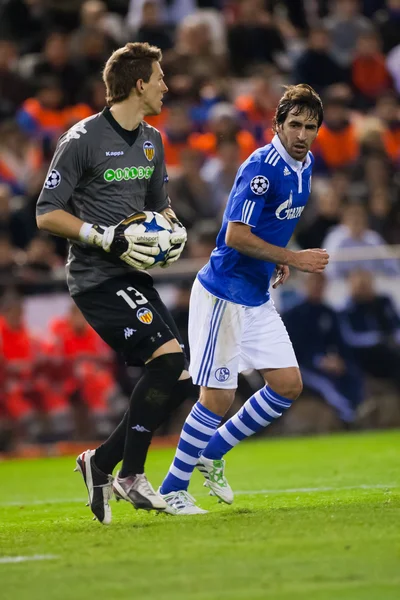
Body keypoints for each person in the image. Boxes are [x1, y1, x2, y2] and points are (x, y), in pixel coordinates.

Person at [36, 42, 192, 524]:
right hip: (96, 275)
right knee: (168, 363)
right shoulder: (81, 138)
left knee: (179, 376)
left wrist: (172, 228)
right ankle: (130, 474)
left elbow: (156, 205)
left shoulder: (152, 140)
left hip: (134, 273)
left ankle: (101, 463)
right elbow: (46, 213)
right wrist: (103, 236)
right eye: (160, 77)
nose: (166, 85)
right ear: (139, 83)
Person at [159, 84, 330, 514]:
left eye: (310, 127)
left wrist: (276, 260)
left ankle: (212, 451)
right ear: (277, 124)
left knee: (288, 386)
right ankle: (172, 489)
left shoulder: (305, 166)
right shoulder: (261, 167)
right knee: (216, 398)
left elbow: (269, 226)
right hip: (223, 294)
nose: (302, 134)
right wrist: (293, 256)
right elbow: (235, 235)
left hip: (255, 293)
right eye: (294, 124)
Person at [283, 273, 364, 425]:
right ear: (304, 285)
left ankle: (359, 408)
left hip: (327, 363)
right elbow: (292, 349)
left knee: (352, 373)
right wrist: (318, 361)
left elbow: (340, 343)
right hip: (302, 366)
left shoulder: (329, 313)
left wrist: (339, 360)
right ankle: (348, 417)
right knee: (325, 385)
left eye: (321, 284)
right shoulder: (292, 315)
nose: (317, 287)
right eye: (313, 283)